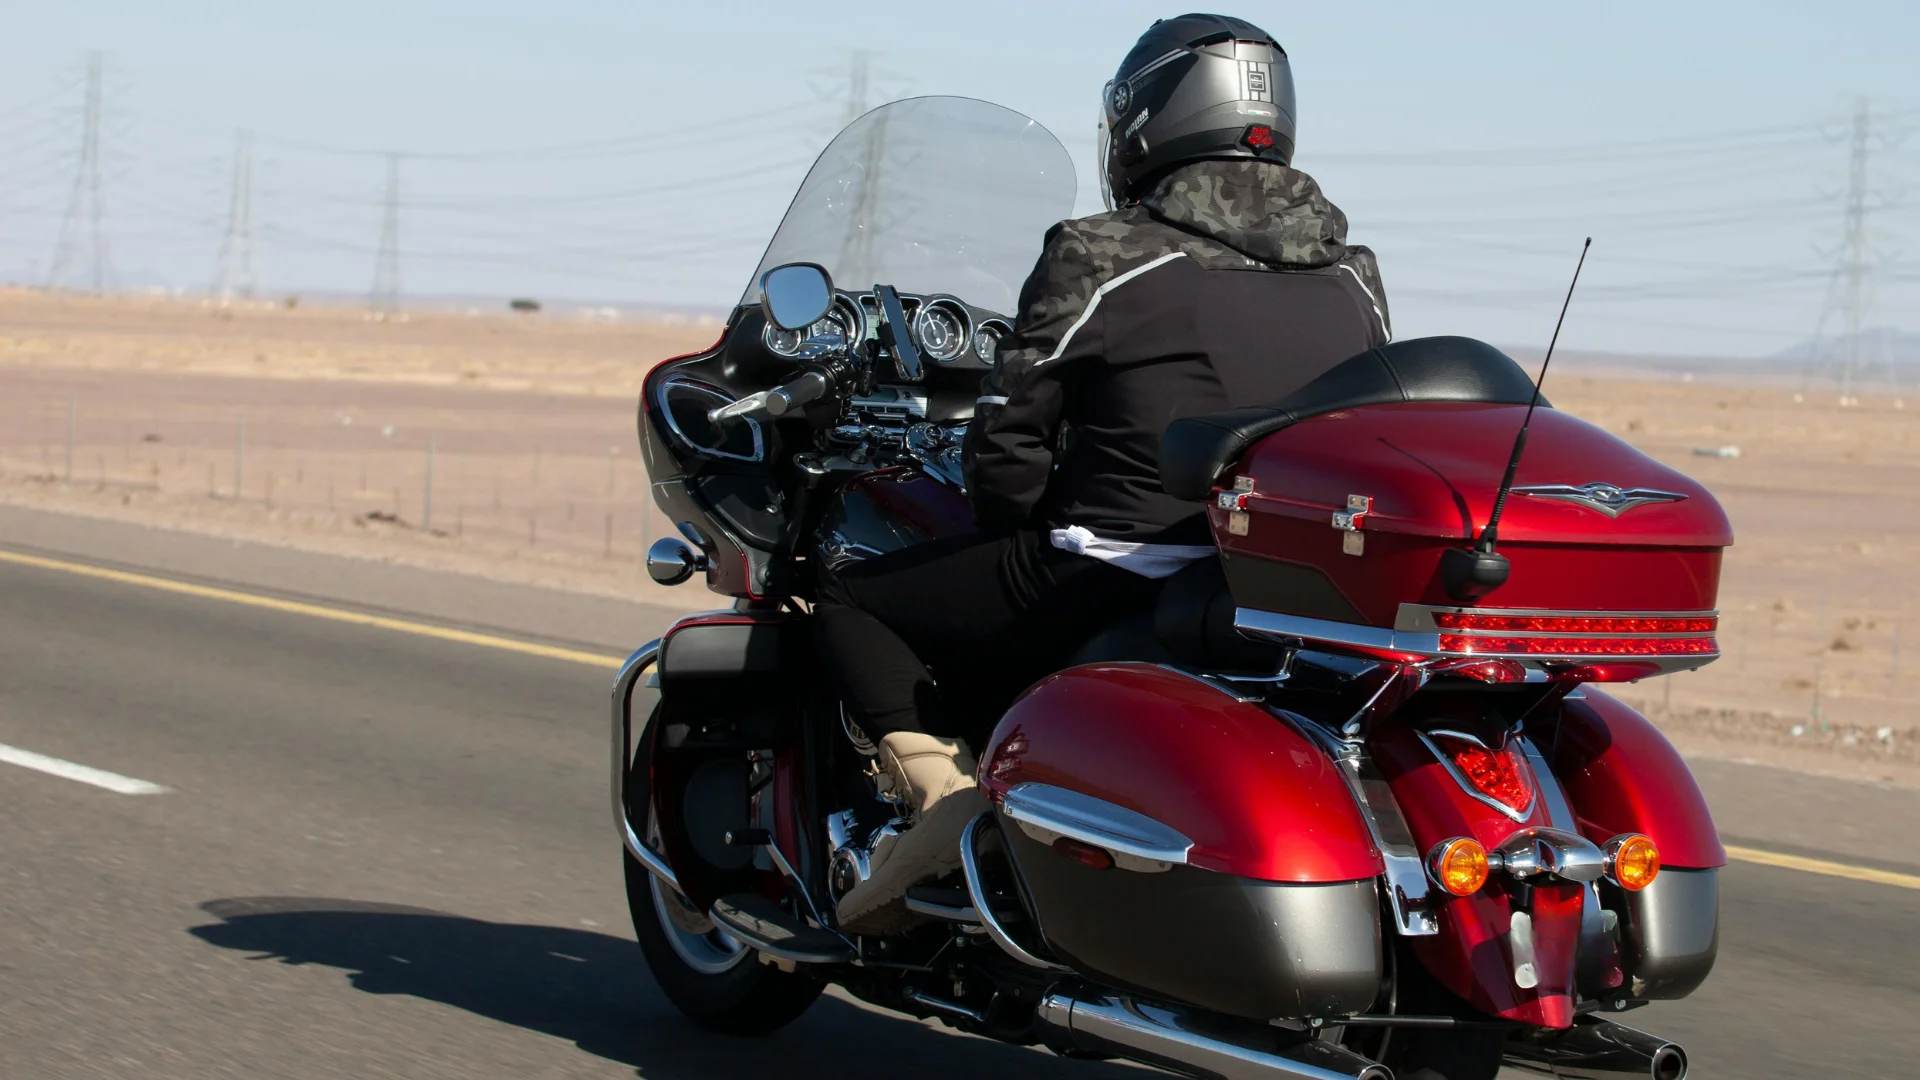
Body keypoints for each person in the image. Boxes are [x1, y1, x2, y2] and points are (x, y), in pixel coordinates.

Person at [815, 12, 1392, 931]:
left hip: (1112, 567)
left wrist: (1007, 518)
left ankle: (942, 804)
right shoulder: (1351, 269)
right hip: (1270, 579)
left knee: (849, 597)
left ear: (1144, 120)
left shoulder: (1105, 254)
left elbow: (1009, 438)